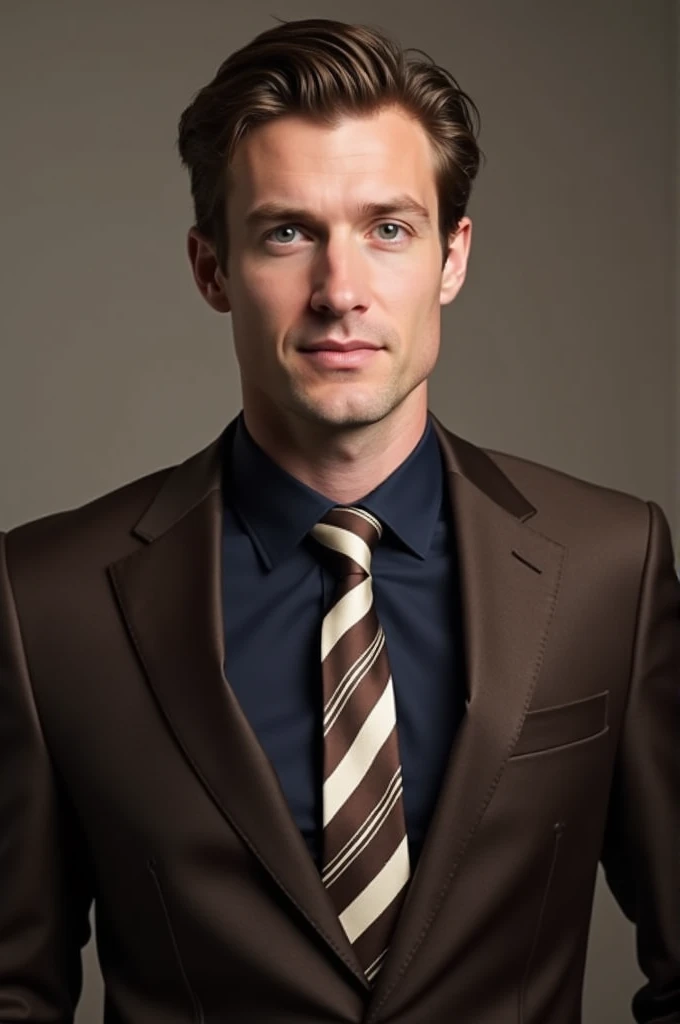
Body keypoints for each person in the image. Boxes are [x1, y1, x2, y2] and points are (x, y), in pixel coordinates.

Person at [0, 17, 677, 1024]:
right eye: (287, 232)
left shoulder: (607, 568)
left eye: (387, 229)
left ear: (450, 258)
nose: (340, 291)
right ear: (210, 268)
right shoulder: (43, 601)